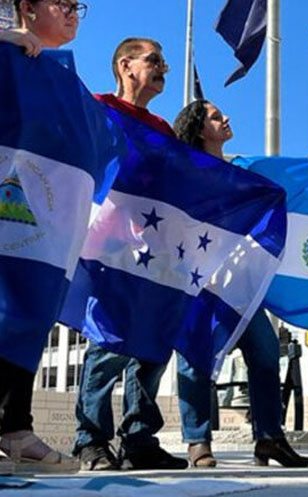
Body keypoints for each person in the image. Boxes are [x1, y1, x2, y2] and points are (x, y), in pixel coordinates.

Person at [171, 99, 308, 468]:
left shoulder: (243, 169)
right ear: (199, 128)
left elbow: (286, 184)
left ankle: (269, 438)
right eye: (216, 117)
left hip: (238, 283)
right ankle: (198, 442)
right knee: (194, 358)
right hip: (196, 280)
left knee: (265, 355)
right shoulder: (184, 170)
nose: (227, 118)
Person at [72, 37, 188, 471]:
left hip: (155, 249)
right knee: (109, 340)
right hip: (108, 243)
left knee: (153, 345)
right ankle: (91, 439)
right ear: (125, 65)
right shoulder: (98, 109)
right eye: (154, 61)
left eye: (164, 63)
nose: (163, 70)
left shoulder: (162, 128)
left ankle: (139, 439)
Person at [0, 0, 87, 475]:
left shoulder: (60, 82)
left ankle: (14, 427)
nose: (74, 13)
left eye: (80, 6)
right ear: (27, 9)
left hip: (37, 219)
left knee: (30, 304)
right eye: (64, 3)